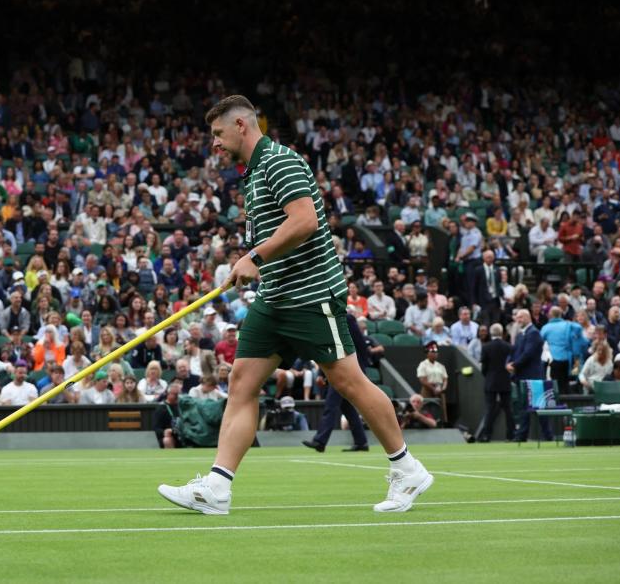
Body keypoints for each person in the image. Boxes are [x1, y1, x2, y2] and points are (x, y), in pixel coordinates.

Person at [157, 96, 431, 516]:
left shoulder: (280, 161)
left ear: (241, 126)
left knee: (349, 383)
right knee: (242, 383)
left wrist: (254, 257)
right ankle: (217, 486)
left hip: (312, 295)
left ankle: (407, 467)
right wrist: (257, 262)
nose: (214, 142)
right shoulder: (251, 174)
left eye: (218, 133)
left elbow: (304, 221)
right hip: (275, 298)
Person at [303, 313, 371, 452]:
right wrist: (323, 373)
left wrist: (361, 369)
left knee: (331, 404)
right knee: (347, 408)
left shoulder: (346, 318)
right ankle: (361, 442)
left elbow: (359, 343)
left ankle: (320, 441)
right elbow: (328, 349)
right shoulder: (324, 320)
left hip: (348, 369)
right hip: (336, 368)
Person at [507, 309, 551, 442]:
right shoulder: (521, 334)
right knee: (524, 406)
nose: (518, 320)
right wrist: (508, 363)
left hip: (533, 376)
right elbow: (514, 351)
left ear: (527, 317)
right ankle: (522, 435)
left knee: (539, 406)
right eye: (517, 318)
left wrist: (513, 365)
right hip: (522, 376)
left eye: (520, 317)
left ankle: (547, 435)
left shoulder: (534, 333)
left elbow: (528, 354)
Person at [475, 323, 514, 442]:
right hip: (505, 380)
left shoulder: (486, 347)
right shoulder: (508, 347)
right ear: (502, 333)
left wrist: (488, 376)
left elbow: (484, 368)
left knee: (489, 409)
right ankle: (511, 435)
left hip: (491, 381)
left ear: (491, 333)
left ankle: (487, 435)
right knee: (508, 409)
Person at [153, 382, 182, 448]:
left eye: (179, 394)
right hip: (170, 436)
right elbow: (156, 429)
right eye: (175, 394)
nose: (178, 397)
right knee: (167, 440)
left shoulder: (182, 406)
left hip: (182, 434)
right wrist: (165, 432)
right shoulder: (161, 409)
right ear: (167, 394)